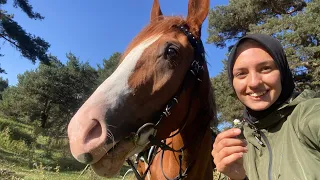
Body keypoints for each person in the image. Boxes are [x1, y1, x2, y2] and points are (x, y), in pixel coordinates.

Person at [211, 34, 320, 180]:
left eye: (265, 68)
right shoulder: (238, 144)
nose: (254, 83)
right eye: (241, 74)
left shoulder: (308, 114)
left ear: (282, 71)